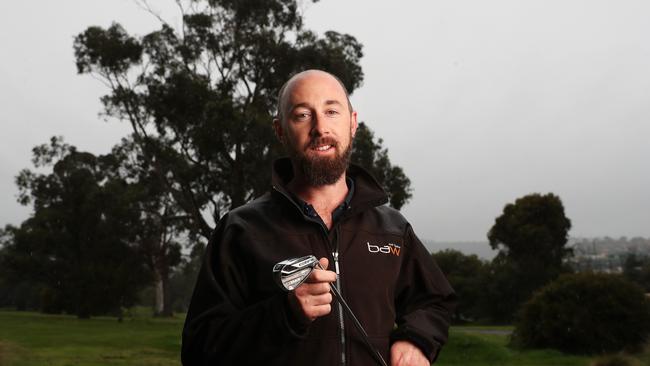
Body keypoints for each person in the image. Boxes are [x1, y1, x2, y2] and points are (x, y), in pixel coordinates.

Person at [181, 70, 456, 365]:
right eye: (302, 115)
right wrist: (285, 315)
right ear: (280, 130)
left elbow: (434, 301)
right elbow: (200, 349)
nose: (320, 127)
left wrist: (416, 340)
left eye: (331, 111)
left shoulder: (392, 229)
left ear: (352, 123)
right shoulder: (242, 231)